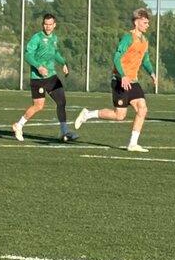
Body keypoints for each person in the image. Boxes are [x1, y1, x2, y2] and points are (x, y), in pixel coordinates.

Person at [74, 8, 157, 153]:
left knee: (142, 109)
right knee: (119, 116)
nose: (147, 25)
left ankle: (133, 144)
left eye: (147, 23)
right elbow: (117, 57)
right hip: (119, 80)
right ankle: (88, 114)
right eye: (145, 22)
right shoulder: (128, 38)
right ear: (136, 22)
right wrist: (123, 75)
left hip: (133, 81)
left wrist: (152, 73)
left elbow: (145, 60)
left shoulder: (144, 41)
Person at [14, 13, 79, 142]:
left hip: (51, 76)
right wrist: (38, 66)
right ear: (43, 25)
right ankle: (19, 125)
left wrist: (63, 63)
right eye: (45, 24)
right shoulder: (37, 38)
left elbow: (54, 53)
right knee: (38, 106)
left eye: (50, 24)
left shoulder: (54, 38)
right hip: (38, 78)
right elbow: (27, 55)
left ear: (54, 25)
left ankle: (64, 132)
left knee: (61, 102)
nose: (48, 27)